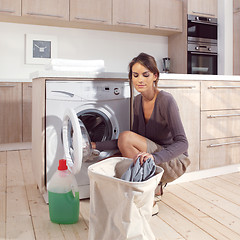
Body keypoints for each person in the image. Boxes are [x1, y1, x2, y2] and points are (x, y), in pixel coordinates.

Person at [92, 52, 190, 196]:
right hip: (150, 156)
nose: (140, 80)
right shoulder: (137, 101)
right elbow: (128, 142)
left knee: (125, 138)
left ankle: (145, 192)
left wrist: (155, 158)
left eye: (146, 75)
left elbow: (183, 143)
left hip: (172, 161)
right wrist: (95, 146)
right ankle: (146, 189)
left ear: (155, 76)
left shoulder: (165, 100)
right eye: (135, 75)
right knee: (106, 162)